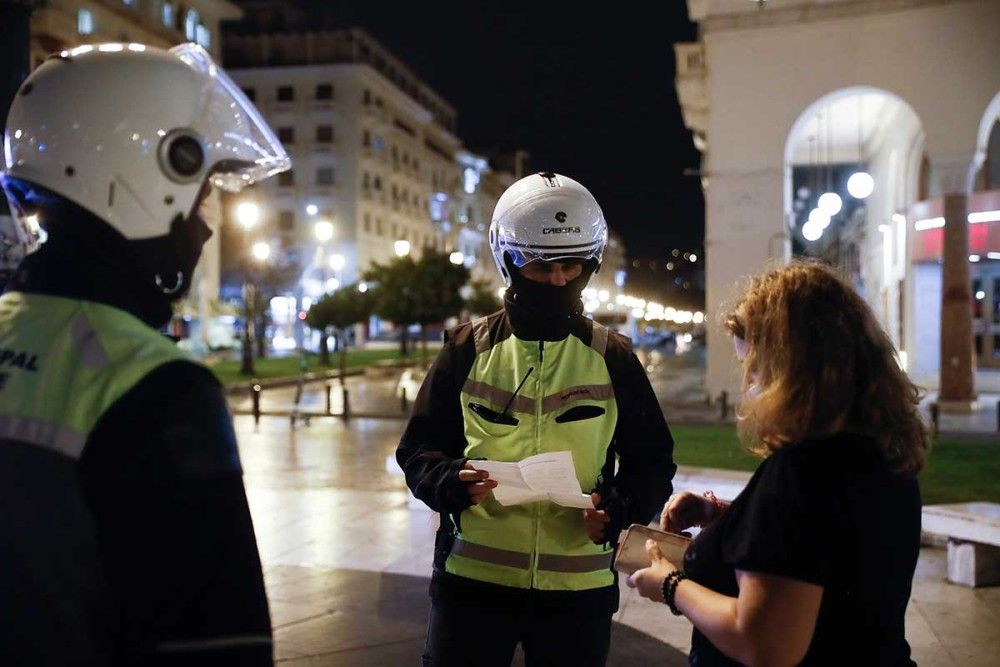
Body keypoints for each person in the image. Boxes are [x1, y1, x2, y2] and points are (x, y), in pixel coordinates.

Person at [0, 43, 290, 664]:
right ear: (146, 183)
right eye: (201, 196)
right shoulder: (157, 385)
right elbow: (216, 643)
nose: (206, 228)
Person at [397, 171, 677, 666]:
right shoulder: (466, 350)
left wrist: (620, 506)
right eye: (541, 267)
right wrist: (448, 481)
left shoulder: (613, 358)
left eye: (573, 267)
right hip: (472, 586)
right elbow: (418, 450)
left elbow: (653, 462)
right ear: (508, 261)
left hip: (578, 590)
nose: (558, 281)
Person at [628, 261, 928, 666]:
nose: (748, 386)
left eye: (754, 370)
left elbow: (764, 643)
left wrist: (669, 583)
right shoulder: (882, 451)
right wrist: (725, 516)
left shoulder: (802, 470)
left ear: (790, 370)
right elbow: (822, 540)